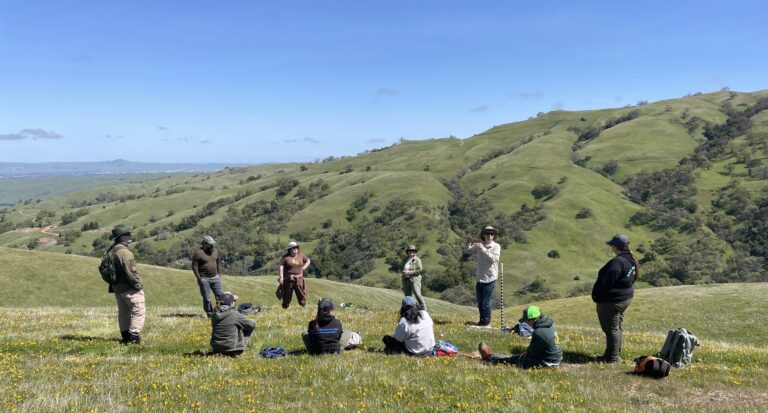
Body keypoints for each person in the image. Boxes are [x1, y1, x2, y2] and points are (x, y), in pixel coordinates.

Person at [592, 234, 639, 363]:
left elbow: (605, 283)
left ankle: (612, 358)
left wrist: (596, 297)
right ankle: (613, 353)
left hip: (612, 302)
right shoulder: (631, 259)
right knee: (617, 327)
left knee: (611, 329)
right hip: (624, 299)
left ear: (615, 247)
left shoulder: (618, 262)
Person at [478, 306, 562, 369]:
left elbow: (532, 353)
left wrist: (521, 356)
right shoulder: (549, 326)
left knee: (513, 360)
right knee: (518, 357)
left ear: (534, 319)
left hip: (546, 363)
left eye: (527, 320)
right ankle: (493, 357)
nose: (526, 323)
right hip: (555, 360)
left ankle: (489, 357)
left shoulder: (538, 332)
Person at [107, 224, 145, 344]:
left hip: (117, 287)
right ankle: (134, 338)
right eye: (128, 234)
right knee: (138, 311)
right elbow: (131, 272)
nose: (130, 236)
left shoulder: (112, 250)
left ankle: (125, 336)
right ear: (122, 237)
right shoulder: (124, 252)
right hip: (129, 287)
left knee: (123, 312)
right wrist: (138, 285)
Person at [466, 225, 501, 326]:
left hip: (490, 278)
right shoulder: (479, 244)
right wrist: (468, 242)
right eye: (487, 233)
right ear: (484, 235)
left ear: (493, 236)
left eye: (491, 234)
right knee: (480, 301)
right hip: (480, 277)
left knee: (486, 301)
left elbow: (494, 259)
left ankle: (486, 321)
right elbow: (467, 251)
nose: (489, 235)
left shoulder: (496, 246)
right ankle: (482, 320)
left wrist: (483, 250)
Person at [210, 292, 255, 356]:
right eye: (234, 301)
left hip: (215, 348)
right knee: (247, 327)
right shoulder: (234, 314)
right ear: (231, 303)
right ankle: (240, 348)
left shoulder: (214, 315)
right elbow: (252, 324)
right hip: (231, 349)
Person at [191, 235, 224, 318]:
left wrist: (219, 274)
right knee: (206, 298)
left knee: (220, 296)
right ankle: (209, 314)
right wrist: (199, 278)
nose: (212, 245)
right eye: (210, 244)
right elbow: (194, 267)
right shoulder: (198, 253)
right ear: (205, 244)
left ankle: (219, 312)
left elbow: (218, 262)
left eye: (212, 244)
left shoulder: (215, 251)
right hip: (204, 279)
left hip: (215, 278)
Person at [278, 241, 310, 308]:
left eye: (297, 247)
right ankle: (285, 308)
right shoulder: (286, 257)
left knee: (301, 293)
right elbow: (281, 265)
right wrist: (281, 277)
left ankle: (304, 306)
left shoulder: (301, 255)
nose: (296, 248)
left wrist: (303, 268)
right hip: (289, 279)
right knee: (287, 294)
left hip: (299, 279)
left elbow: (308, 261)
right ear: (290, 249)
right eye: (294, 247)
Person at [401, 244, 426, 311]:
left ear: (415, 252)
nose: (411, 252)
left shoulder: (417, 260)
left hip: (415, 280)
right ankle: (409, 310)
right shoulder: (405, 259)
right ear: (407, 252)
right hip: (406, 280)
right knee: (408, 297)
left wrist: (410, 272)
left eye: (413, 250)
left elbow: (420, 270)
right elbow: (401, 268)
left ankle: (424, 309)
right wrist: (403, 271)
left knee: (418, 295)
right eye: (410, 250)